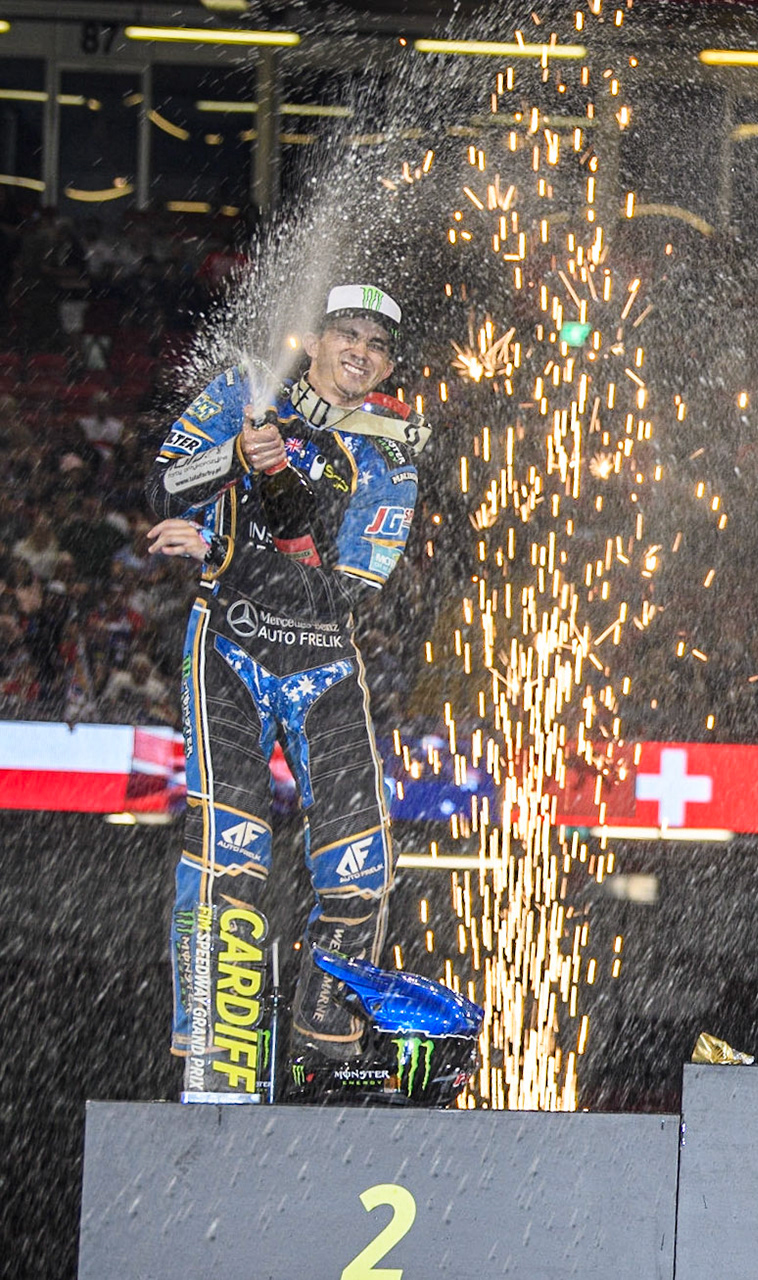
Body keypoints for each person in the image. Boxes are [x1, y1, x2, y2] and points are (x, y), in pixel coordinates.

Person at [146, 284, 428, 1102]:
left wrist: (221, 551)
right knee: (230, 850)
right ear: (315, 340)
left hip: (324, 663)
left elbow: (342, 595)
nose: (360, 351)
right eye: (348, 333)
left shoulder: (391, 454)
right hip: (228, 647)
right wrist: (238, 456)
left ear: (388, 366)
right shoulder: (246, 391)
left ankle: (325, 1057)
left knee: (362, 868)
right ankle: (214, 1053)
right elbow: (162, 491)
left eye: (377, 344)